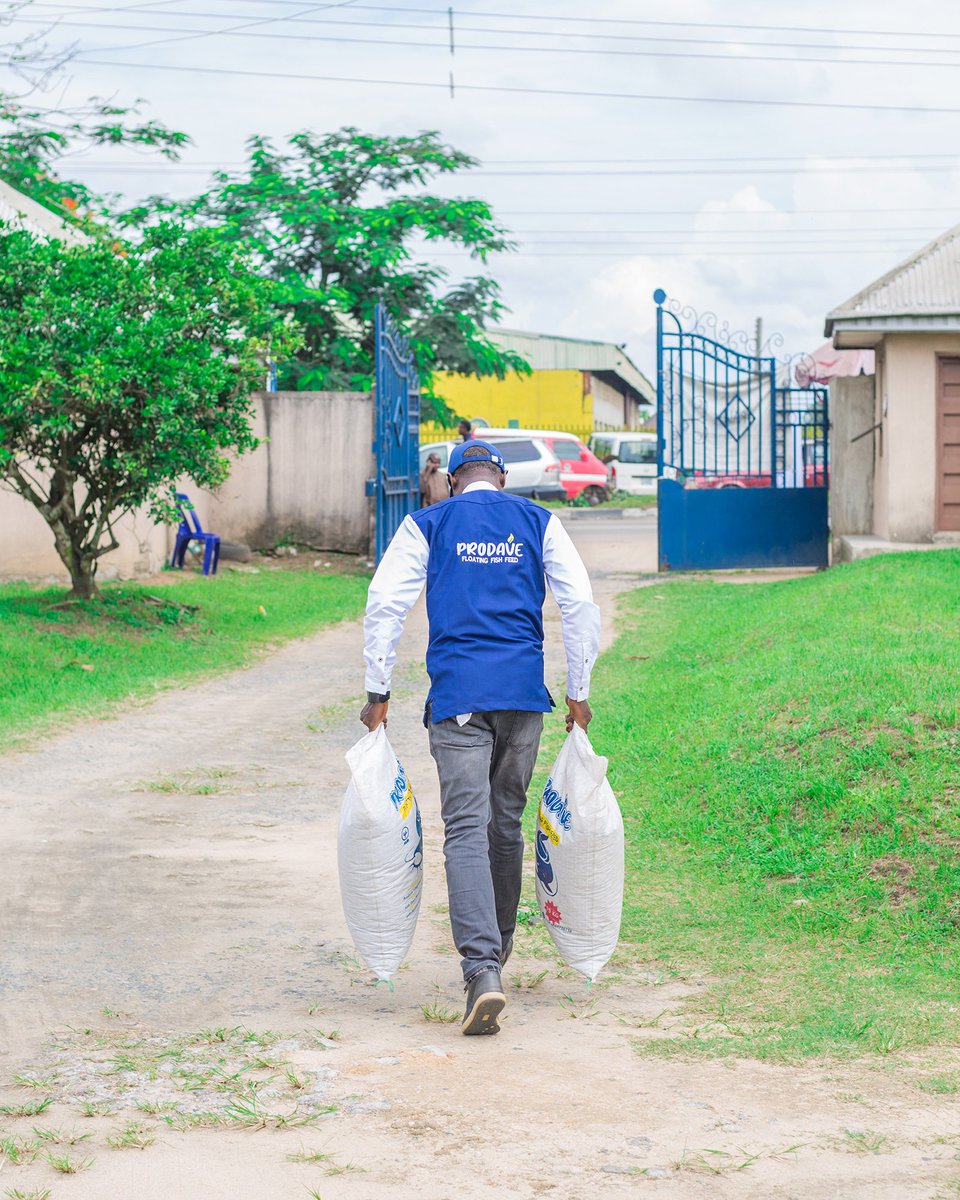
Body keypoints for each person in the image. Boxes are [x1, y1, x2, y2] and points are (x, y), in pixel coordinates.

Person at [360, 440, 600, 1036]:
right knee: (505, 824)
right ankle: (500, 950)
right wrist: (578, 688)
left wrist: (378, 690)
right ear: (500, 476)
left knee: (466, 827)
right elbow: (580, 604)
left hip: (460, 699)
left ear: (452, 480)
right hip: (523, 699)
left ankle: (481, 968)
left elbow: (384, 603)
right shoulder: (538, 521)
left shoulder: (428, 523)